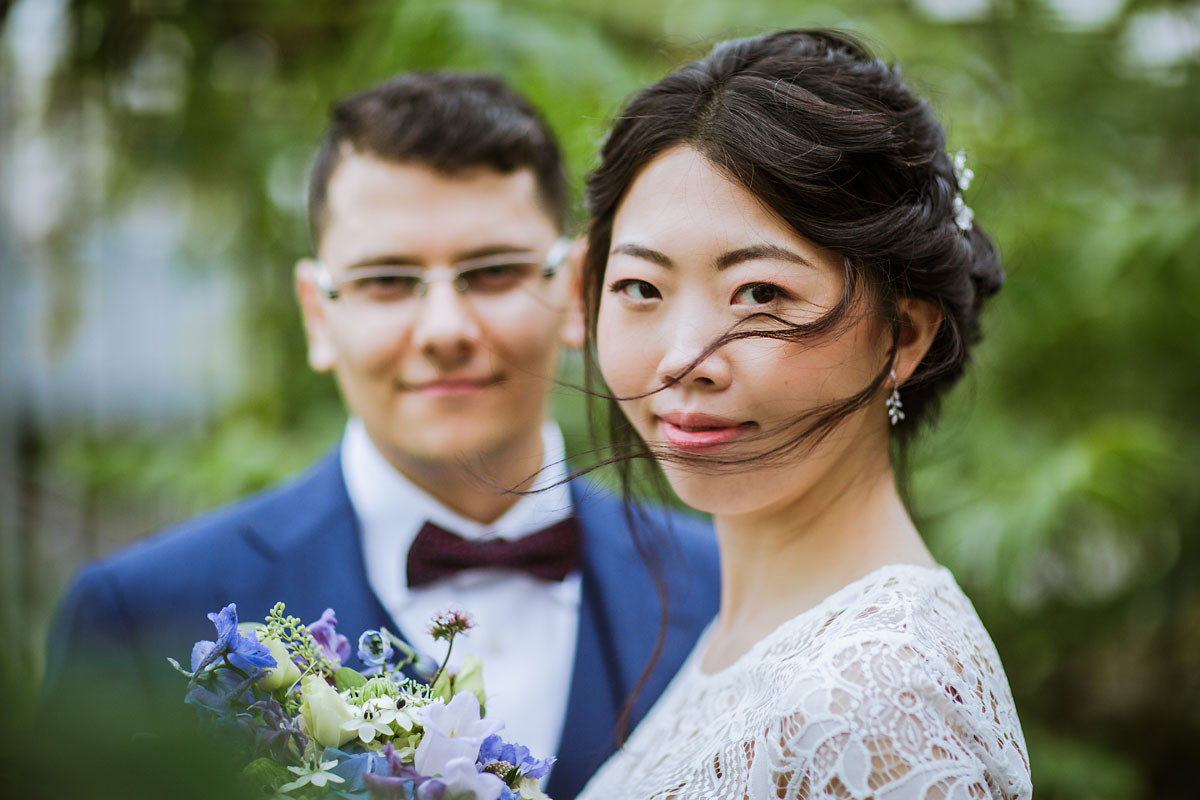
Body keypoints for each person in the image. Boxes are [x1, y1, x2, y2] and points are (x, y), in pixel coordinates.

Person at [44, 71, 719, 800]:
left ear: (574, 289)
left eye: (492, 272)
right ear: (316, 313)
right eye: (388, 281)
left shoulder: (722, 588)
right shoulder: (140, 619)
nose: (445, 331)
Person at [574, 30, 1032, 799]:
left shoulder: (879, 697)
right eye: (642, 289)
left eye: (761, 294)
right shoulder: (753, 635)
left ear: (905, 335)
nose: (683, 359)